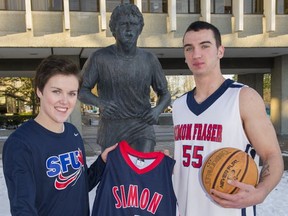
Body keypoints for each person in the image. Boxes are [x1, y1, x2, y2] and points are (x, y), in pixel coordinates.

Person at [172, 21, 284, 216]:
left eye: (205, 46)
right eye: (189, 48)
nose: (196, 54)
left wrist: (261, 191)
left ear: (220, 51)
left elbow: (272, 155)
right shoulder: (179, 105)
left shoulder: (243, 97)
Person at [2, 55, 117, 216]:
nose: (65, 101)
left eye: (71, 93)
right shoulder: (20, 144)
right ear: (39, 91)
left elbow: (80, 185)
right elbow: (23, 209)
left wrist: (102, 162)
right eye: (56, 91)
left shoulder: (72, 133)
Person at [78, 3, 171, 153]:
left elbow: (165, 93)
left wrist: (157, 110)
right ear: (113, 28)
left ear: (140, 29)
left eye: (133, 24)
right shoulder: (99, 58)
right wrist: (100, 103)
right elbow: (81, 90)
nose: (129, 29)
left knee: (140, 169)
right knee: (115, 172)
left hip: (141, 126)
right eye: (123, 24)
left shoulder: (149, 60)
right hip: (111, 127)